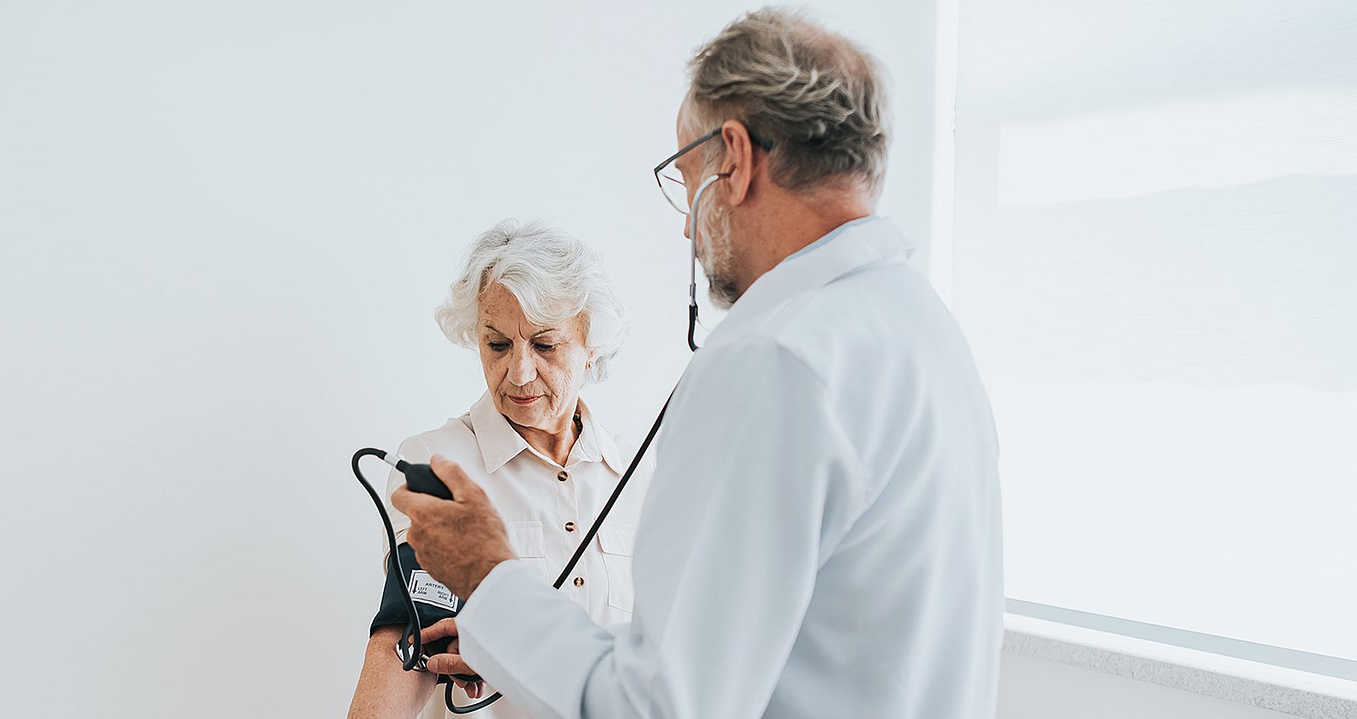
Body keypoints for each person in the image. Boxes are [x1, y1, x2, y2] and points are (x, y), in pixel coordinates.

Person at [391, 9, 1004, 718]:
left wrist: (492, 578)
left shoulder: (773, 358)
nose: (687, 223)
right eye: (498, 342)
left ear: (735, 158)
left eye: (685, 177)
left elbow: (660, 706)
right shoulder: (930, 332)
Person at [348, 219, 652, 719]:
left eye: (546, 345)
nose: (519, 372)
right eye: (498, 345)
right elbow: (405, 638)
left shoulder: (647, 473)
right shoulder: (437, 464)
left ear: (589, 344)